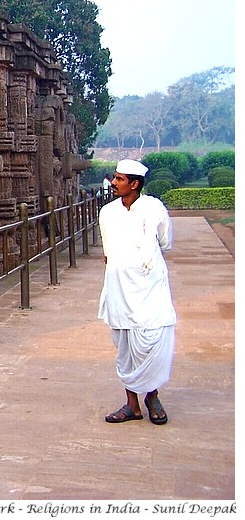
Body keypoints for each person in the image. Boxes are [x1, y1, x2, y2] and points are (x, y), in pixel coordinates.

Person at [98, 159, 175, 425]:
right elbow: (108, 252)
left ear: (135, 184)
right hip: (119, 289)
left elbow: (165, 241)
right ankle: (132, 405)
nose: (114, 182)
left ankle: (152, 396)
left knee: (151, 341)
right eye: (115, 178)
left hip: (150, 289)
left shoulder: (154, 208)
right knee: (125, 348)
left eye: (120, 179)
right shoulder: (107, 212)